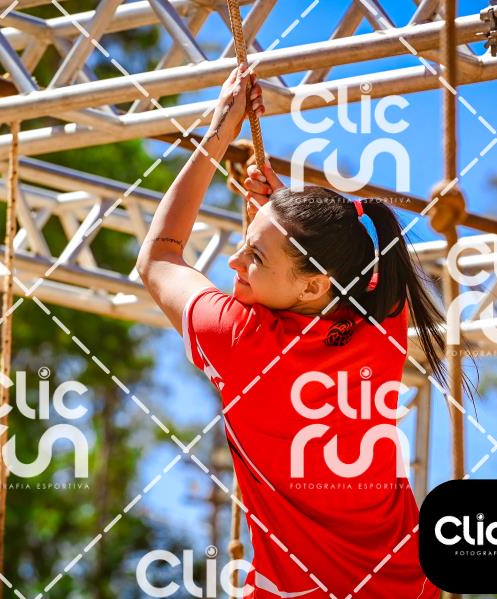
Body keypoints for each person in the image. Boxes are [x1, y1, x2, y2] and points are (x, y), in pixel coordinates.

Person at [136, 63, 444, 598]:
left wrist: (220, 130)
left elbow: (160, 254)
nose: (233, 262)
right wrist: (281, 218)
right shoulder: (382, 318)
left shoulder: (244, 341)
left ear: (314, 285)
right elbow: (344, 257)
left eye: (253, 257)